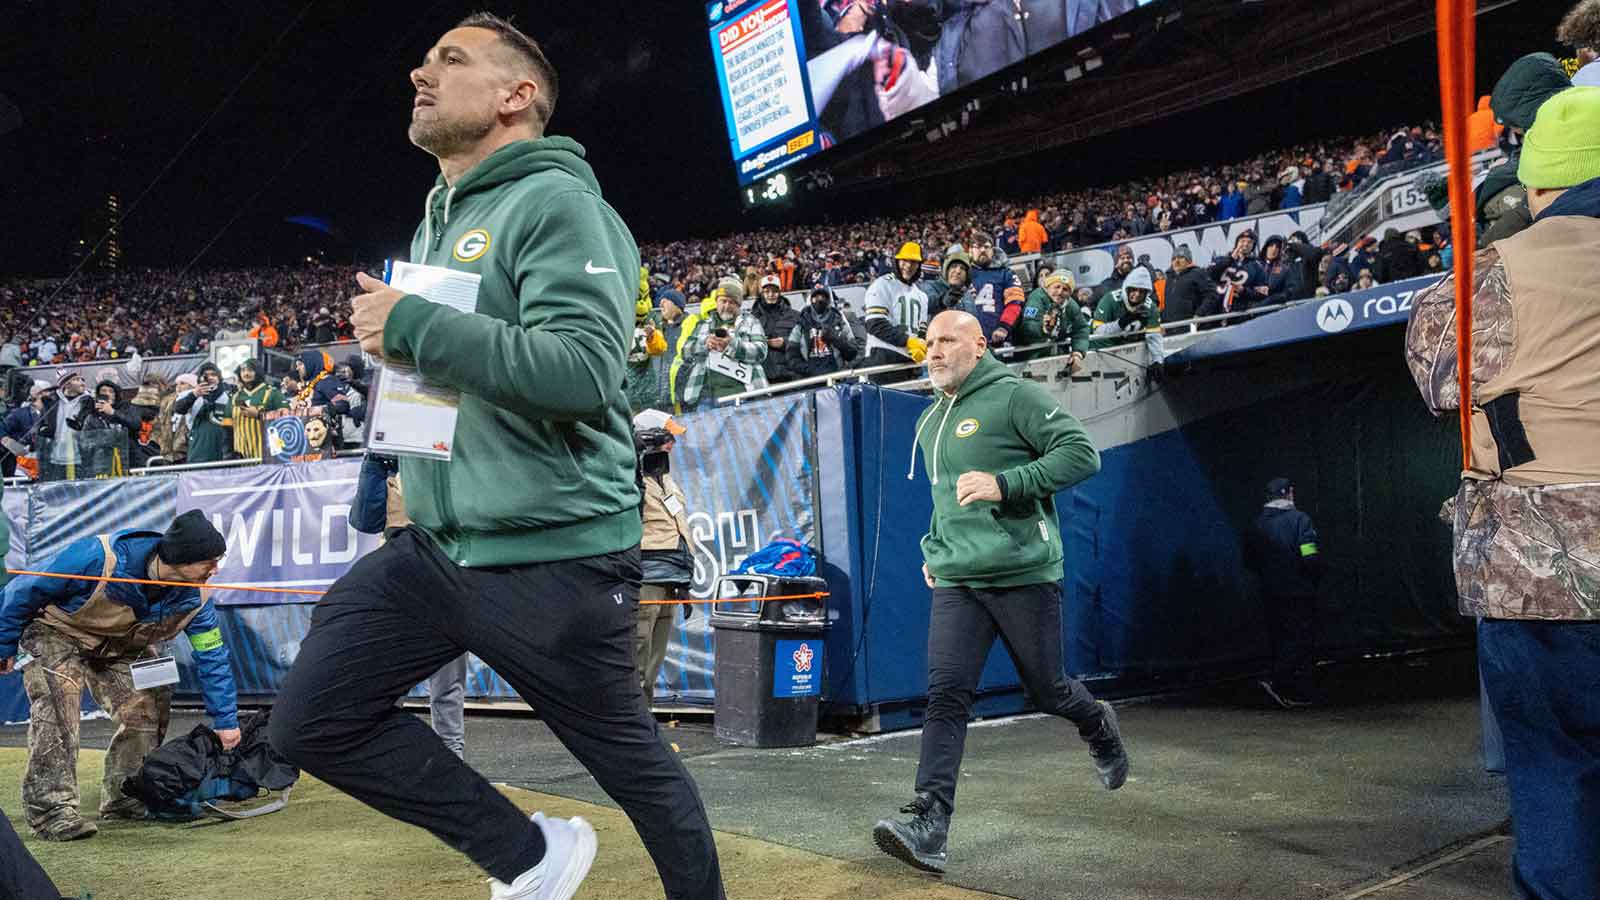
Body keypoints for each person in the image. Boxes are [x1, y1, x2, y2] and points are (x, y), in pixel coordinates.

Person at [266, 15, 724, 900]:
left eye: (451, 60)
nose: (419, 72)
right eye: (426, 57)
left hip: (553, 555)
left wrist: (415, 327)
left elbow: (587, 372)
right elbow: (461, 363)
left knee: (640, 775)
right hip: (437, 545)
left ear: (517, 97)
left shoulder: (561, 204)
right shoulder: (441, 218)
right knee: (309, 719)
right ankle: (530, 857)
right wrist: (411, 349)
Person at [1405, 87, 1600, 900]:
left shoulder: (1490, 277)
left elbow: (1440, 376)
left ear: (1539, 185)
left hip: (1542, 570)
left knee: (1556, 774)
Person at [873, 310, 1128, 875]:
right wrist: (933, 553)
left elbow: (1082, 453)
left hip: (1022, 573)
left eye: (947, 341)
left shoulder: (1014, 396)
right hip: (959, 580)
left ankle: (1096, 723)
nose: (934, 351)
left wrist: (1006, 483)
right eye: (930, 342)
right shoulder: (930, 418)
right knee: (945, 694)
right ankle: (929, 822)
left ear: (979, 344)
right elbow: (944, 501)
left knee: (1049, 689)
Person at [0, 511, 239, 841]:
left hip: (119, 647)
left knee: (152, 697)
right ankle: (51, 810)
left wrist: (227, 720)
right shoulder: (95, 558)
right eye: (210, 562)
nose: (216, 570)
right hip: (54, 633)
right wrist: (4, 644)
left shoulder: (197, 600)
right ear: (182, 559)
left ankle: (126, 796)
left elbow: (212, 656)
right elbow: (21, 591)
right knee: (60, 695)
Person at [349, 452, 468, 759]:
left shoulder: (449, 457)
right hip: (399, 570)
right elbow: (364, 520)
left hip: (444, 567)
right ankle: (389, 756)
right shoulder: (386, 462)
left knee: (447, 679)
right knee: (388, 673)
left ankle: (451, 759)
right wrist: (373, 464)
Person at [1242, 478, 1324, 709]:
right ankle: (1280, 682)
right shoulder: (1300, 520)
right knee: (1300, 639)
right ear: (1288, 494)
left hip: (1269, 591)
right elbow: (1309, 555)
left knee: (1278, 639)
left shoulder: (1257, 524)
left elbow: (1249, 560)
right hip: (1298, 592)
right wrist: (1313, 575)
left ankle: (1287, 689)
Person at [632, 409, 693, 700]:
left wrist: (685, 581)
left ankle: (645, 724)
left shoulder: (665, 478)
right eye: (667, 437)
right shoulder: (630, 477)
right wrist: (635, 451)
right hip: (646, 579)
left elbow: (679, 528)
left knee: (653, 663)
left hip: (670, 578)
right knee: (637, 656)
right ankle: (632, 727)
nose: (672, 444)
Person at [682, 276, 768, 409]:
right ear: (716, 302)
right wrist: (704, 344)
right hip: (706, 397)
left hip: (742, 395)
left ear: (738, 305)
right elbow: (685, 352)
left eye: (732, 302)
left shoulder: (751, 321)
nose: (727, 306)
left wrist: (732, 344)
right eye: (723, 301)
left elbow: (761, 352)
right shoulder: (703, 324)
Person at [861, 242, 931, 379]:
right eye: (904, 260)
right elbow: (875, 324)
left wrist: (920, 346)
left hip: (910, 365)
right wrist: (908, 341)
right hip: (883, 360)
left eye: (914, 262)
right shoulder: (882, 284)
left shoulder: (922, 296)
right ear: (896, 261)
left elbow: (921, 331)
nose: (909, 266)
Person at [1015, 270, 1088, 367]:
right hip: (1031, 358)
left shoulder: (1070, 305)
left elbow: (1081, 329)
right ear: (1048, 286)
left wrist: (1078, 352)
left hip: (1057, 356)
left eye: (1065, 289)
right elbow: (1028, 326)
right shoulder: (1037, 297)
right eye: (1057, 287)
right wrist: (1042, 328)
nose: (1060, 292)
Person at [787, 286, 858, 379]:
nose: (819, 301)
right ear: (810, 300)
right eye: (815, 298)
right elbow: (791, 355)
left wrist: (836, 339)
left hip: (836, 376)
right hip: (809, 379)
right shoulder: (801, 322)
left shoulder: (839, 320)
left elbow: (852, 352)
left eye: (823, 297)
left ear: (828, 300)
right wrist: (808, 369)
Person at [967, 235, 1026, 347]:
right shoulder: (962, 273)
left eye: (987, 247)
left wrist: (1004, 327)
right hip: (967, 343)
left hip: (997, 341)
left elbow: (1015, 303)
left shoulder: (1006, 274)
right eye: (978, 247)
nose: (983, 250)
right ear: (970, 251)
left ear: (993, 251)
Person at [172, 362, 231, 464]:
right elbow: (178, 408)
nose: (210, 378)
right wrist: (195, 394)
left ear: (219, 377)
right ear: (199, 378)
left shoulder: (228, 396)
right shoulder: (189, 394)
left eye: (213, 374)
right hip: (199, 451)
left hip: (224, 452)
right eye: (206, 375)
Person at [229, 358, 287, 462]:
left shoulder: (272, 393)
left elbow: (287, 418)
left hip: (268, 457)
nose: (246, 374)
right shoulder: (234, 397)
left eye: (250, 370)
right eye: (243, 370)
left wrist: (260, 415)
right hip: (241, 459)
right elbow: (227, 429)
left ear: (258, 372)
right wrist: (228, 454)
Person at [1091, 267, 1162, 348]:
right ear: (1127, 289)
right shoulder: (1109, 300)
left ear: (1147, 293)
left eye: (1142, 291)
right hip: (1105, 350)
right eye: (1134, 289)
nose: (1137, 294)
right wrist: (1121, 322)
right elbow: (1097, 332)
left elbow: (1154, 338)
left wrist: (1158, 359)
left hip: (1132, 351)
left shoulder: (1150, 307)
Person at [750, 275, 800, 386]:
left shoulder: (794, 315)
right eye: (767, 291)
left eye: (774, 291)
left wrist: (785, 343)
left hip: (792, 376)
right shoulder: (751, 319)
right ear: (761, 293)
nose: (771, 295)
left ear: (780, 293)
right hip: (763, 378)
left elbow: (805, 340)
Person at [1161, 245, 1213, 324]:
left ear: (1189, 261)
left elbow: (1212, 294)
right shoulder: (1169, 278)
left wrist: (1199, 314)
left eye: (1181, 257)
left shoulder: (1197, 273)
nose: (1176, 261)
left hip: (1190, 326)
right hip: (1170, 328)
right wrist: (1163, 322)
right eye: (1174, 259)